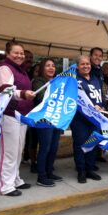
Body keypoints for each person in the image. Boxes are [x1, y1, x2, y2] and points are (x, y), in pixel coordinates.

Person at [0, 41, 36, 196]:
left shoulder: (22, 71)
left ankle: (15, 179)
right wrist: (24, 94)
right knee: (8, 152)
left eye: (22, 53)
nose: (20, 56)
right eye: (16, 53)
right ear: (7, 54)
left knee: (18, 150)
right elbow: (6, 90)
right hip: (8, 114)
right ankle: (5, 186)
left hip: (21, 116)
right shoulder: (3, 68)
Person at [70, 55, 103, 183]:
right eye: (82, 64)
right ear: (77, 66)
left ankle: (90, 169)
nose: (86, 66)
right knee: (80, 145)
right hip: (79, 120)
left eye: (87, 64)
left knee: (92, 144)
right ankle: (81, 171)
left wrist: (101, 106)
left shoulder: (95, 79)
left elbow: (101, 97)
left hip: (94, 119)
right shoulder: (73, 80)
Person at [32, 58, 63, 187]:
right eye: (47, 66)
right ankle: (41, 176)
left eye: (53, 66)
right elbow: (41, 97)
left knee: (54, 147)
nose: (51, 68)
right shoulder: (38, 81)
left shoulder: (58, 81)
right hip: (44, 120)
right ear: (42, 68)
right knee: (45, 147)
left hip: (56, 119)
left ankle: (49, 172)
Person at [89, 47, 107, 164]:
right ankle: (83, 167)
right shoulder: (87, 68)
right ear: (90, 56)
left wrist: (104, 106)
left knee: (96, 136)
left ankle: (93, 162)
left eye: (100, 56)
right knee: (87, 138)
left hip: (99, 109)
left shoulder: (99, 70)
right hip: (88, 110)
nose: (98, 57)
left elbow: (101, 91)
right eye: (95, 55)